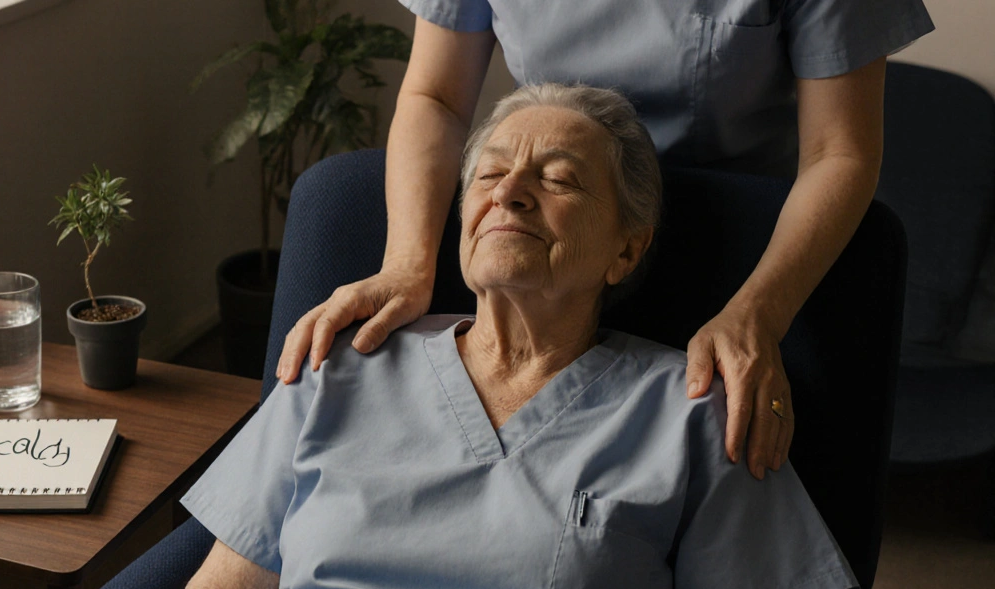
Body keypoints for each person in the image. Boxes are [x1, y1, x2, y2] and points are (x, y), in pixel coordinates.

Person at [165, 84, 858, 589]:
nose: (511, 193)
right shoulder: (339, 363)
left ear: (627, 250)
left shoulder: (698, 413)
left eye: (559, 179)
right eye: (490, 174)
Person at [274, 0, 934, 482]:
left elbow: (837, 151)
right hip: (551, 221)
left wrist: (757, 312)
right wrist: (408, 264)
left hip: (734, 253)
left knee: (698, 477)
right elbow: (438, 96)